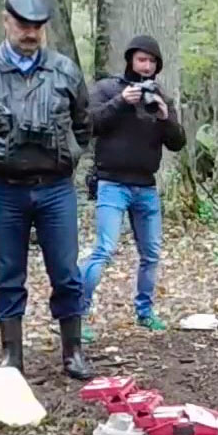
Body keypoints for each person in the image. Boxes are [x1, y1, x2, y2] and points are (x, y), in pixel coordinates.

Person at [0, 0, 94, 380]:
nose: (30, 32)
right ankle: (11, 356)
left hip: (55, 188)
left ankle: (73, 352)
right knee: (8, 273)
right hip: (4, 189)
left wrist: (67, 155)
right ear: (6, 21)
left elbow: (83, 124)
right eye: (22, 23)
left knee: (67, 271)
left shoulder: (65, 70)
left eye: (37, 25)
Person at [80, 35, 187, 337]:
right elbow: (88, 124)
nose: (147, 66)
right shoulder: (107, 89)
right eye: (142, 59)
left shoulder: (161, 97)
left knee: (151, 254)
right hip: (112, 183)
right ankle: (77, 313)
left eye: (152, 61)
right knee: (104, 249)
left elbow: (178, 143)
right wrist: (121, 102)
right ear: (130, 60)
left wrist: (165, 118)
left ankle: (145, 311)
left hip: (146, 187)